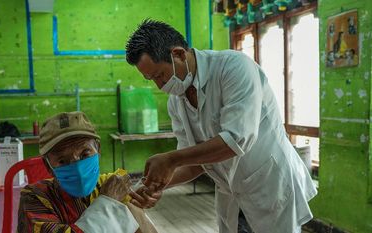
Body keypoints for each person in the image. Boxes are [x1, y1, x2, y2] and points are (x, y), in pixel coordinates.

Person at [125, 19, 317, 233]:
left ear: (178, 54)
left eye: (160, 75)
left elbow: (236, 140)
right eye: (151, 79)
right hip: (230, 192)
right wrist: (156, 186)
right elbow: (193, 162)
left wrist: (171, 159)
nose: (160, 86)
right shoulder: (176, 100)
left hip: (268, 186)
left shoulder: (234, 67)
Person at [17, 111, 157, 233]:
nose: (77, 167)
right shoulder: (35, 198)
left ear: (98, 150)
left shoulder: (109, 184)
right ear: (48, 167)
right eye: (63, 161)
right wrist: (108, 202)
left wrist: (139, 201)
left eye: (84, 154)